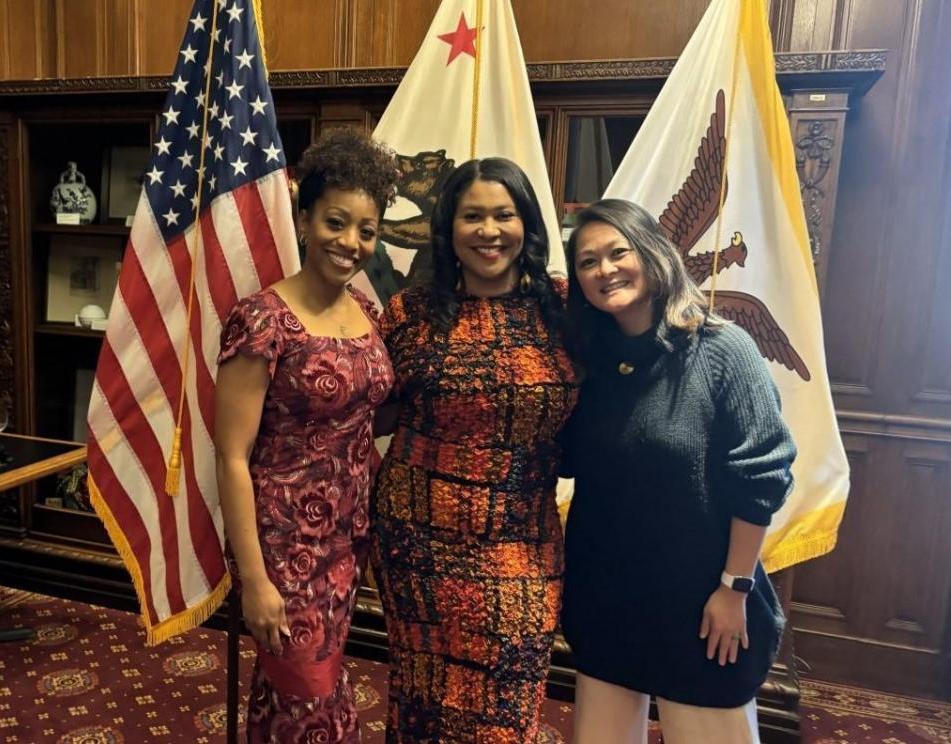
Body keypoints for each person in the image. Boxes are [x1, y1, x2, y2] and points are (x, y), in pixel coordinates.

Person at [559, 198, 797, 744]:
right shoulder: (587, 359)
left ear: (652, 252)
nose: (604, 269)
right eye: (587, 261)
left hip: (702, 601)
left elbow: (762, 480)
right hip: (607, 594)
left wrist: (734, 589)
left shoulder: (723, 349)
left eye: (618, 252)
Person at [370, 157, 579, 743]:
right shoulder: (410, 313)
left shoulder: (564, 309)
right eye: (473, 216)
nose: (489, 231)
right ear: (449, 229)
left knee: (506, 705)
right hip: (416, 536)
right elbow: (366, 407)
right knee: (423, 696)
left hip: (522, 539)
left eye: (503, 214)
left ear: (527, 224)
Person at [214, 128, 400, 743]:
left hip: (348, 543)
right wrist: (256, 578)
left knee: (298, 690)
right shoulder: (264, 319)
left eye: (365, 231)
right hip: (283, 548)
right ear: (304, 217)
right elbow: (232, 457)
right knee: (310, 697)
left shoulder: (370, 316)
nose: (350, 243)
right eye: (336, 222)